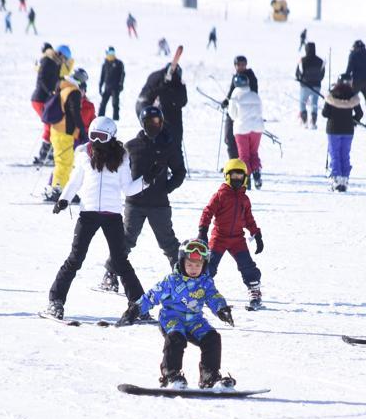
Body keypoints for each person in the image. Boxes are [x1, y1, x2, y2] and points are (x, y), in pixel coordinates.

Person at [46, 117, 149, 320]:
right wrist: (64, 199)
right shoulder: (84, 154)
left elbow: (128, 189)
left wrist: (146, 180)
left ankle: (139, 306)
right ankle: (55, 301)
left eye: (102, 137)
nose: (97, 141)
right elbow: (75, 181)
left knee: (120, 261)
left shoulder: (122, 157)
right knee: (75, 259)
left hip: (112, 215)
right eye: (93, 136)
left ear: (111, 136)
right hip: (88, 213)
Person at [117, 238, 236, 390]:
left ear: (204, 265)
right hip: (171, 319)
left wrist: (221, 308)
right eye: (189, 264)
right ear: (181, 263)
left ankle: (210, 377)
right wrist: (136, 309)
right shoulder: (171, 281)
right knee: (176, 338)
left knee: (212, 338)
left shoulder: (205, 282)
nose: (193, 269)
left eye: (198, 265)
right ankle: (171, 376)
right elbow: (153, 295)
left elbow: (213, 296)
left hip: (195, 321)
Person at [100, 106, 186, 294]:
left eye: (157, 122)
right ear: (142, 123)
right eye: (149, 123)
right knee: (125, 240)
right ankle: (110, 274)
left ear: (162, 123)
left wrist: (166, 188)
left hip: (159, 205)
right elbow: (118, 172)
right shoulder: (131, 147)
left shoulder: (168, 146)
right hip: (134, 204)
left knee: (168, 242)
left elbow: (180, 172)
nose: (153, 126)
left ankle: (182, 275)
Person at [198, 158, 263, 311]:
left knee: (246, 265)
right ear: (227, 176)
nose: (237, 179)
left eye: (240, 176)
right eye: (233, 175)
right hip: (219, 237)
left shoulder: (244, 199)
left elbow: (248, 219)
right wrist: (202, 230)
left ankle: (254, 290)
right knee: (209, 265)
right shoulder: (220, 195)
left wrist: (257, 235)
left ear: (245, 177)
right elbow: (207, 212)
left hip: (237, 240)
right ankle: (198, 290)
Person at [44, 68, 88, 202]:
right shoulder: (73, 91)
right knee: (64, 163)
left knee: (65, 162)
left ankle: (60, 189)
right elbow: (75, 113)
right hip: (64, 132)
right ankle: (57, 190)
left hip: (57, 130)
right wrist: (82, 130)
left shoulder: (64, 88)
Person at [135, 62, 188, 154]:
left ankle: (176, 165)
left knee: (175, 142)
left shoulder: (180, 83)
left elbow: (183, 101)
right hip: (156, 114)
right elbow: (146, 98)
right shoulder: (157, 78)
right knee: (159, 141)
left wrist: (169, 92)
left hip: (174, 116)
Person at [322, 73, 363, 192]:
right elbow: (359, 113)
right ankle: (344, 179)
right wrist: (353, 121)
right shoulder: (352, 96)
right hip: (348, 130)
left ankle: (336, 178)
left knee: (335, 154)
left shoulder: (332, 94)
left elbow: (325, 113)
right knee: (345, 154)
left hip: (333, 129)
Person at [31, 44, 69, 166]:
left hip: (47, 100)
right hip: (40, 99)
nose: (65, 61)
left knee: (53, 124)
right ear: (60, 54)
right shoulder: (48, 61)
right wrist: (50, 92)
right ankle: (45, 155)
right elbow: (41, 79)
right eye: (65, 58)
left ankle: (48, 153)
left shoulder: (56, 64)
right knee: (51, 124)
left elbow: (57, 80)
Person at [228, 75, 264, 189]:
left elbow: (232, 114)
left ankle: (246, 181)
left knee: (244, 155)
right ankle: (257, 173)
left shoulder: (235, 95)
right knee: (254, 153)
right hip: (257, 129)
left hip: (242, 129)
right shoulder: (255, 95)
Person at [222, 56, 258, 160]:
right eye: (239, 65)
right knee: (229, 138)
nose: (241, 67)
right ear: (235, 66)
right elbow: (231, 93)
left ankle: (244, 164)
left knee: (244, 140)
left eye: (243, 65)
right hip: (232, 112)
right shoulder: (235, 77)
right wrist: (226, 101)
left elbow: (254, 95)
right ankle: (233, 163)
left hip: (245, 115)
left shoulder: (251, 77)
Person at [345, 40, 366, 127]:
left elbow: (349, 69)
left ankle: (356, 116)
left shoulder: (353, 55)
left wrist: (345, 79)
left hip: (356, 82)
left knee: (351, 99)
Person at [295, 42, 325, 129]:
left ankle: (305, 122)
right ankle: (313, 123)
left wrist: (301, 80)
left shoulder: (302, 60)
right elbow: (322, 74)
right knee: (314, 103)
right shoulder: (320, 61)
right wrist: (318, 80)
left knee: (302, 103)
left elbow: (297, 73)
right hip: (317, 85)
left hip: (305, 85)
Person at [98, 47, 124, 121]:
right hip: (107, 87)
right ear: (107, 53)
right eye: (110, 53)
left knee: (115, 104)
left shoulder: (119, 63)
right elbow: (102, 76)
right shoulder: (105, 64)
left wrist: (121, 84)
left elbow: (122, 75)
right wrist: (100, 86)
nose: (111, 54)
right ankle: (99, 118)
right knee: (103, 104)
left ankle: (116, 119)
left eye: (113, 52)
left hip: (115, 88)